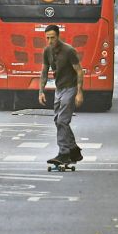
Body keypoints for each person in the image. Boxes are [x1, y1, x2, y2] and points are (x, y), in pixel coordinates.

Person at [38, 24, 84, 165]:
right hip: (59, 89)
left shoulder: (69, 51)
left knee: (62, 121)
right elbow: (44, 71)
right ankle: (74, 149)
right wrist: (41, 91)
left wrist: (79, 92)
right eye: (48, 38)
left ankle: (64, 152)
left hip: (70, 88)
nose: (50, 40)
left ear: (58, 36)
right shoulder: (47, 51)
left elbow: (79, 71)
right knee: (58, 120)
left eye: (53, 37)